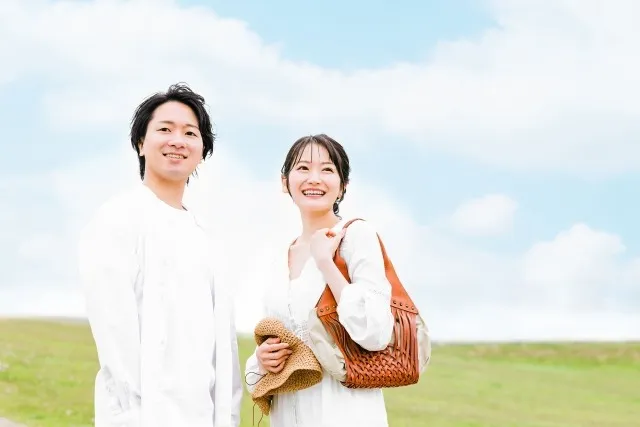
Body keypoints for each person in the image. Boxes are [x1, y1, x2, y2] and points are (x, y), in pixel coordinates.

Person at [78, 83, 242, 427]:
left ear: (202, 150)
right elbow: (114, 328)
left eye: (190, 133)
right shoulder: (119, 218)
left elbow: (223, 347)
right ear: (141, 143)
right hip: (144, 417)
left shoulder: (207, 238)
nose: (178, 141)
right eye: (165, 129)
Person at [244, 134, 395, 427]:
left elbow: (376, 332)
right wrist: (261, 360)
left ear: (343, 185)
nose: (314, 178)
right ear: (285, 182)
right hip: (287, 414)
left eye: (327, 169)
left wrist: (326, 263)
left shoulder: (356, 237)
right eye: (303, 168)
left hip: (345, 412)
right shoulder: (280, 256)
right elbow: (279, 336)